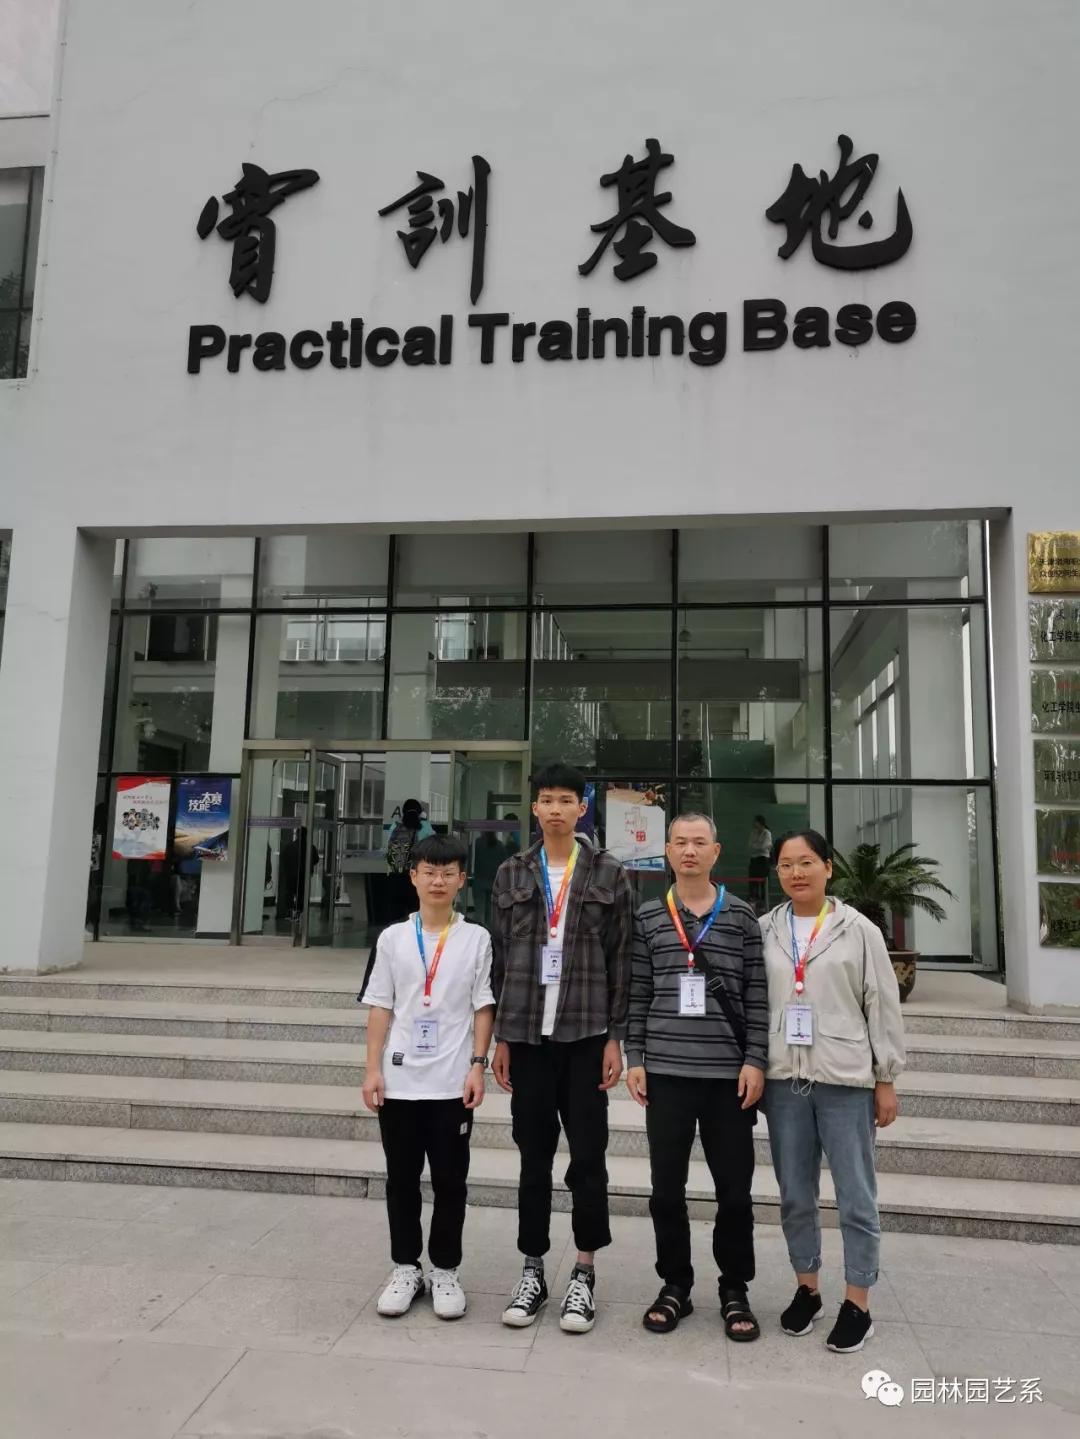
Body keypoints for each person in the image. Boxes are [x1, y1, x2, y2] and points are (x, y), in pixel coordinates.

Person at [490, 762, 633, 1334]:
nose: (555, 809)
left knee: (589, 1158)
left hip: (586, 1035)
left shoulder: (609, 871)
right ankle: (532, 1270)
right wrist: (500, 1038)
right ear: (535, 808)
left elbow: (622, 958)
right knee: (533, 1158)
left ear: (582, 808)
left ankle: (583, 1271)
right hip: (527, 1038)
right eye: (546, 799)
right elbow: (500, 959)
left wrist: (616, 1038)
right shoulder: (510, 872)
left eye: (565, 800)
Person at [760, 829, 906, 1354]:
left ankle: (858, 1301)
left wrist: (885, 1078)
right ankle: (808, 1288)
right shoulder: (765, 929)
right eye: (786, 864)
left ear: (827, 867)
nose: (796, 873)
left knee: (855, 1196)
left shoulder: (859, 931)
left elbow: (881, 1004)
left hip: (846, 1080)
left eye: (806, 862)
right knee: (795, 1194)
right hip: (785, 1081)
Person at [626, 813, 768, 1341]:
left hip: (728, 1078)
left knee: (735, 1193)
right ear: (667, 851)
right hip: (666, 1074)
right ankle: (676, 1285)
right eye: (680, 842)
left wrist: (756, 1059)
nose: (689, 851)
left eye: (699, 842)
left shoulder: (741, 916)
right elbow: (638, 992)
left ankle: (735, 1288)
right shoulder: (648, 916)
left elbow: (758, 994)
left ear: (715, 851)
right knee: (666, 1190)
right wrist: (635, 1056)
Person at [361, 834, 496, 1321]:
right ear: (414, 876)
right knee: (401, 1180)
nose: (438, 881)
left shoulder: (477, 938)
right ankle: (405, 1267)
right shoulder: (393, 938)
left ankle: (445, 1270)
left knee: (450, 1182)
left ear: (462, 880)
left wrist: (478, 1064)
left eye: (448, 872)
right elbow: (381, 1006)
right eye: (429, 872)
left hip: (451, 1083)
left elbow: (483, 1006)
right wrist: (372, 1069)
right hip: (399, 1082)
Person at [385, 800, 435, 922]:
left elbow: (388, 847)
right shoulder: (425, 826)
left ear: (403, 812)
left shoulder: (395, 826)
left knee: (396, 912)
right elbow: (434, 848)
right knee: (416, 910)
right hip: (417, 875)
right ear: (420, 812)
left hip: (396, 874)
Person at [747, 814, 772, 913]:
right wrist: (758, 846)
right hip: (754, 859)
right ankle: (754, 902)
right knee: (753, 882)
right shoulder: (753, 833)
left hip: (763, 859)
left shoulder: (767, 833)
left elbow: (765, 846)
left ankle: (763, 904)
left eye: (756, 822)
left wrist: (757, 846)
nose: (755, 824)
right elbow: (750, 845)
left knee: (763, 883)